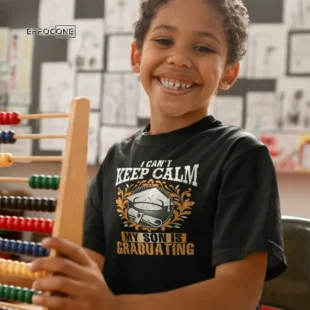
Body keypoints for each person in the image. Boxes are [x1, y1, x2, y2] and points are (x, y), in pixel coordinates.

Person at [29, 0, 287, 309]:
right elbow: (89, 271)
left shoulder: (241, 155)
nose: (179, 59)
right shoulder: (116, 158)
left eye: (203, 48)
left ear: (228, 74)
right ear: (137, 56)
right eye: (164, 41)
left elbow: (238, 295)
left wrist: (114, 307)